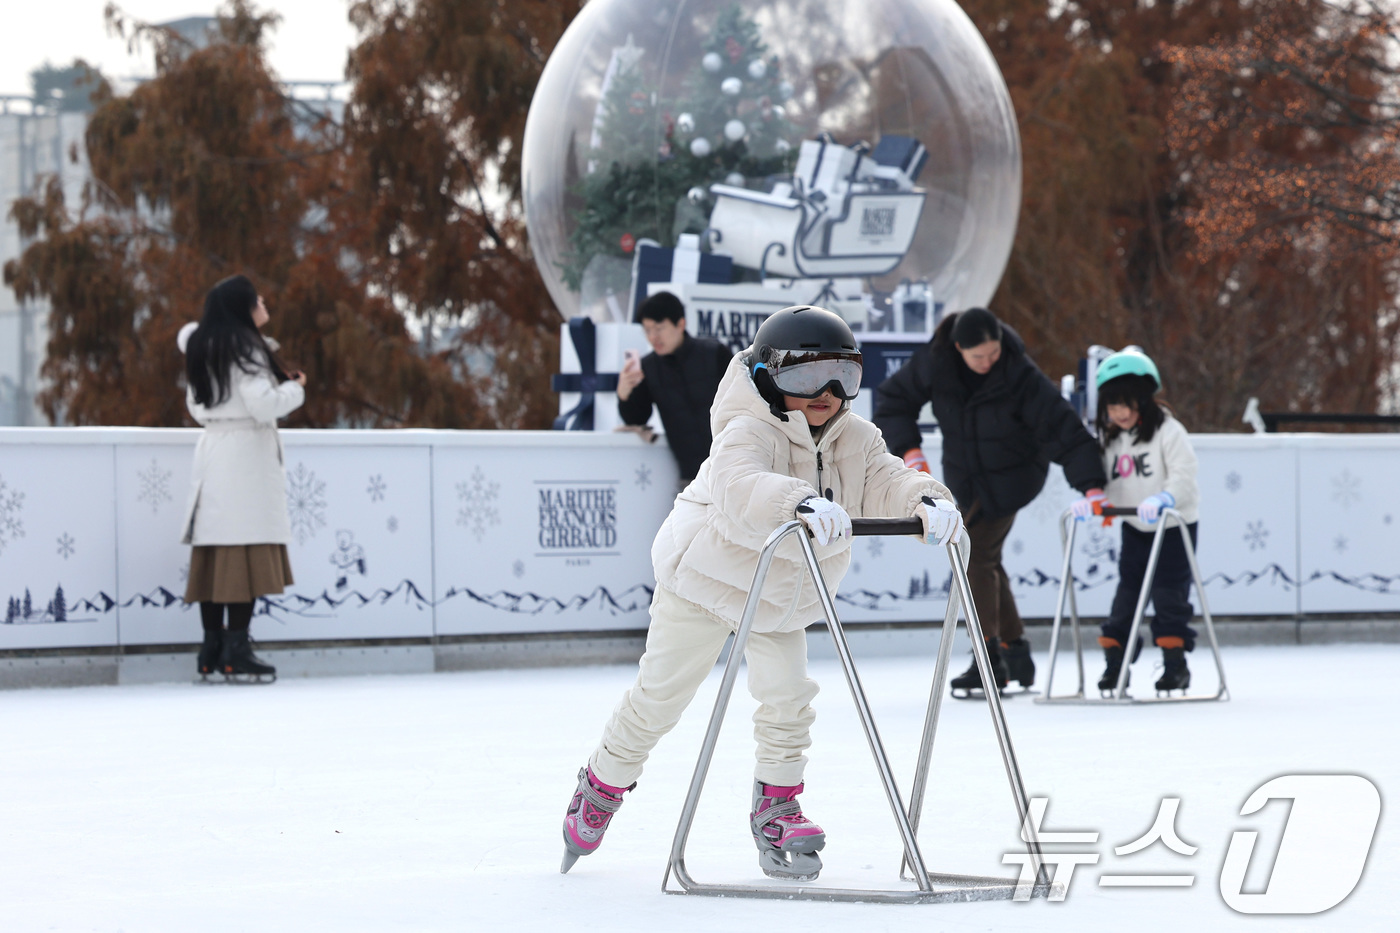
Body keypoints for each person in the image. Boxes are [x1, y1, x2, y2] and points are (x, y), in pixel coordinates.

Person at [561, 305, 964, 882]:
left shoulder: (856, 437)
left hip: (781, 589)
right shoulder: (745, 429)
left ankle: (776, 806)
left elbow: (887, 479)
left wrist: (926, 499)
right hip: (705, 581)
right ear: (768, 378)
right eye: (805, 377)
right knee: (660, 698)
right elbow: (739, 486)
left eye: (843, 376)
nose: (826, 392)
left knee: (788, 699)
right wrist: (795, 502)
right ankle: (602, 783)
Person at [874, 307, 1107, 697]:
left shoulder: (1017, 370)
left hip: (1016, 474)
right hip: (966, 476)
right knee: (986, 557)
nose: (987, 363)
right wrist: (910, 451)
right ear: (959, 348)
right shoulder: (937, 362)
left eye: (993, 354)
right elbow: (894, 399)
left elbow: (1060, 424)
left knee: (975, 554)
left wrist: (1091, 484)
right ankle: (1015, 653)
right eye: (978, 356)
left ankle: (989, 659)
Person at [177, 274, 307, 684]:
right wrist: (296, 391)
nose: (264, 302)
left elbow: (197, 406)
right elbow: (263, 404)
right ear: (242, 308)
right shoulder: (246, 349)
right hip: (245, 456)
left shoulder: (202, 348)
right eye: (258, 299)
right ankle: (237, 648)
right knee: (245, 550)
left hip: (214, 449)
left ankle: (211, 648)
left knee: (215, 553)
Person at [1070, 348, 1199, 696]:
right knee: (1127, 597)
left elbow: (1185, 475)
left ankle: (1175, 666)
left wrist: (1165, 498)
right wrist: (1093, 499)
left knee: (1168, 595)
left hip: (1173, 528)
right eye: (1112, 407)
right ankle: (1116, 665)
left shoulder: (1169, 432)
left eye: (1126, 404)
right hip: (1135, 528)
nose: (1120, 413)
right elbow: (1107, 480)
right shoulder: (1111, 438)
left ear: (1143, 400)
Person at [618, 291, 733, 483]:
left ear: (681, 324)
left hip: (733, 467)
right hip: (691, 477)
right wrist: (624, 394)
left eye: (659, 328)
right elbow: (636, 418)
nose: (653, 337)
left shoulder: (714, 353)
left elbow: (746, 398)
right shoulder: (647, 368)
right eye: (647, 330)